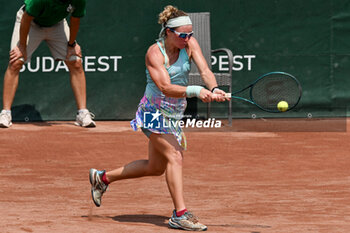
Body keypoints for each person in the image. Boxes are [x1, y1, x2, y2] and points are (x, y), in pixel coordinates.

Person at [89, 5, 229, 231]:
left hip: (174, 114)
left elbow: (205, 71)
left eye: (190, 34)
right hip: (153, 113)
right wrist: (196, 91)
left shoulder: (190, 45)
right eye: (183, 35)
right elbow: (165, 87)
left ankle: (102, 178)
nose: (188, 38)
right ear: (168, 32)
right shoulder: (154, 53)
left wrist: (213, 88)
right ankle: (180, 214)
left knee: (155, 167)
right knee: (175, 156)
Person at [0, 0, 96, 128]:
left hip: (57, 25)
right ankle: (6, 113)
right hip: (30, 23)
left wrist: (71, 44)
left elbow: (75, 20)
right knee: (16, 62)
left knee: (75, 61)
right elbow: (26, 18)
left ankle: (82, 113)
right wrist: (22, 46)